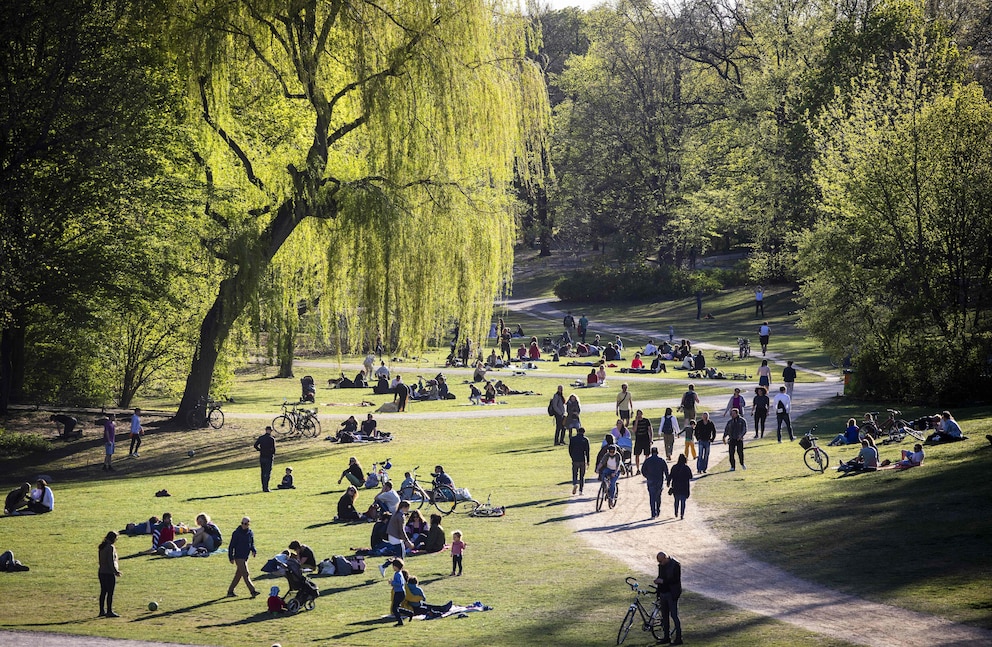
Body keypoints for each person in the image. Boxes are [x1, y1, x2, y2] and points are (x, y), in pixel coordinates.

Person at [654, 551, 683, 645]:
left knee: (674, 616)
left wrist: (662, 581)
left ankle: (679, 638)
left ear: (665, 558)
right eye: (659, 562)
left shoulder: (675, 565)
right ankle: (667, 637)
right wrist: (658, 582)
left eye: (661, 561)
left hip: (672, 593)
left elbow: (675, 580)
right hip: (663, 593)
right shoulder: (661, 565)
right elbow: (661, 576)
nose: (660, 564)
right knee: (664, 617)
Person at [227, 517, 258, 598]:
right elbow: (231, 546)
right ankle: (253, 591)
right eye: (242, 523)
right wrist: (231, 557)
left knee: (238, 575)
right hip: (238, 557)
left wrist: (254, 550)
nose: (243, 525)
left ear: (248, 524)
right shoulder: (236, 533)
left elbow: (251, 544)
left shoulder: (250, 533)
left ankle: (230, 591)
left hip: (245, 557)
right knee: (246, 574)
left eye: (245, 524)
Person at [98, 531, 122, 617]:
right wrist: (116, 571)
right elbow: (110, 561)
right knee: (110, 593)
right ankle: (109, 611)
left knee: (103, 592)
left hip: (101, 572)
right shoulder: (110, 547)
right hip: (109, 573)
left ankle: (101, 610)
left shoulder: (102, 547)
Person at [640, 447, 669, 519]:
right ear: (657, 452)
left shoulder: (647, 461)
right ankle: (658, 510)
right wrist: (668, 480)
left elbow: (643, 470)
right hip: (659, 480)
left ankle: (653, 513)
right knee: (658, 496)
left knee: (652, 497)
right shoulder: (661, 460)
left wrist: (647, 476)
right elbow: (666, 471)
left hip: (651, 480)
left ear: (651, 452)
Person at [669, 455, 692, 520]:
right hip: (684, 487)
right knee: (683, 502)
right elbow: (690, 476)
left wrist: (668, 482)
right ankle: (682, 514)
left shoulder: (674, 467)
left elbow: (670, 476)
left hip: (676, 487)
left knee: (676, 501)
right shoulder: (686, 468)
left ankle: (676, 512)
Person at [253, 425, 276, 492]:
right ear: (270, 431)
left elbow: (255, 445)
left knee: (263, 473)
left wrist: (260, 450)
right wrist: (272, 454)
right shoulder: (271, 439)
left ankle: (263, 487)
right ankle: (266, 487)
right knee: (268, 473)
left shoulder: (261, 438)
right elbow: (274, 449)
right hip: (269, 457)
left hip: (262, 457)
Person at [569, 427, 590, 495]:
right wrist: (588, 461)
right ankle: (581, 491)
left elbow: (570, 449)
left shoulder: (572, 439)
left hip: (575, 459)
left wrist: (572, 457)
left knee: (575, 473)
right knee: (582, 476)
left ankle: (575, 483)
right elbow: (587, 451)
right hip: (582, 459)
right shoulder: (585, 439)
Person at [631, 410, 653, 474]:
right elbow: (634, 430)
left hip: (645, 438)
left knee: (647, 454)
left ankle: (646, 468)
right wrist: (636, 421)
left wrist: (651, 439)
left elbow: (650, 429)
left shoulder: (646, 421)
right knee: (637, 454)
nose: (639, 415)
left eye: (640, 414)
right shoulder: (634, 422)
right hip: (638, 439)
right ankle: (638, 469)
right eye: (638, 414)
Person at [389, 559, 407, 626]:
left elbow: (400, 583)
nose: (392, 567)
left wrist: (392, 582)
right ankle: (410, 613)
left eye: (393, 566)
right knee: (396, 608)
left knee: (394, 608)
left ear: (396, 566)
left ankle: (400, 622)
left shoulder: (398, 574)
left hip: (399, 593)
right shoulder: (399, 573)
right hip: (400, 592)